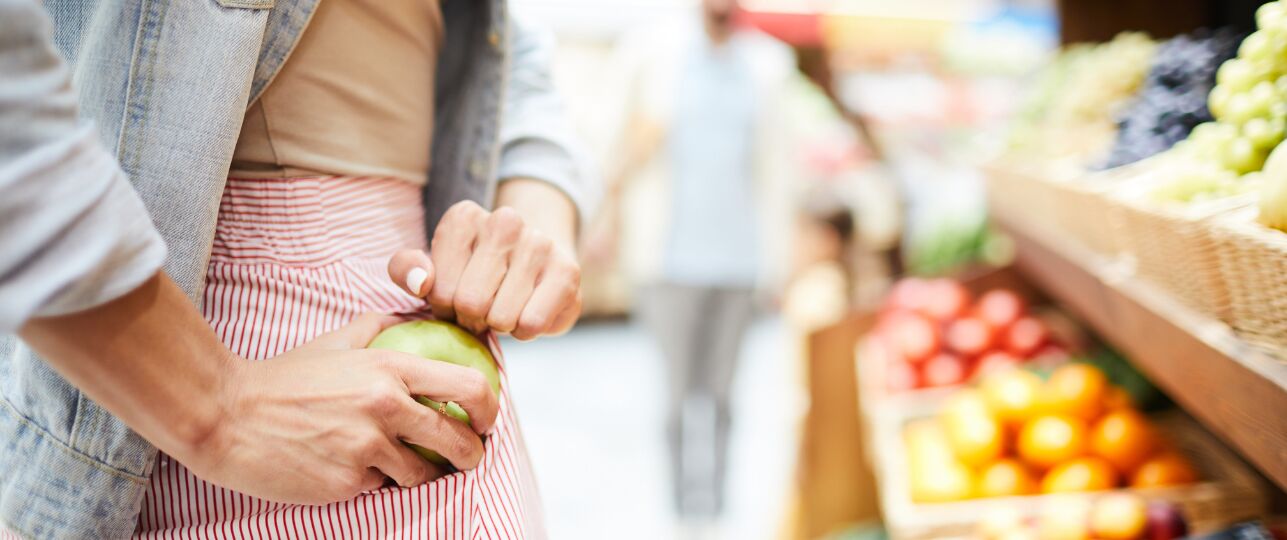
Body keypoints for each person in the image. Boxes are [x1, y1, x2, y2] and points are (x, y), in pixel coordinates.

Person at [0, 0, 591, 537]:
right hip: (200, 371)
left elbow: (509, 50)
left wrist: (532, 227)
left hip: (422, 374)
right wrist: (218, 406)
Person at [587, 0, 796, 527]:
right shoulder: (651, 53)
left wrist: (780, 261)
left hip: (739, 262)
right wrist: (604, 219)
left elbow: (777, 171)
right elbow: (612, 141)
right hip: (668, 262)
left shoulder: (768, 65)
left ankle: (718, 510)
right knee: (679, 399)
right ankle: (685, 514)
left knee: (724, 397)